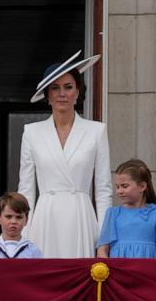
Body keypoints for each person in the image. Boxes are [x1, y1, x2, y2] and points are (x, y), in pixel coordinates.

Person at [18, 50, 112, 258]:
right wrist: (23, 237)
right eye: (55, 88)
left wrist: (103, 241)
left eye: (68, 87)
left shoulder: (97, 131)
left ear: (78, 92)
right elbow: (25, 191)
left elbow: (104, 191)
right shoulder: (31, 132)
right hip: (45, 218)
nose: (62, 93)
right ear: (48, 95)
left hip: (81, 217)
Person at [97, 159, 156, 258]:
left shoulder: (154, 213)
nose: (119, 191)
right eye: (117, 187)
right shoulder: (113, 213)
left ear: (142, 186)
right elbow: (102, 250)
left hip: (148, 270)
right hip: (119, 270)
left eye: (124, 186)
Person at [0, 192, 42, 258]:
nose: (13, 221)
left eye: (19, 217)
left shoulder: (33, 251)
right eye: (8, 216)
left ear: (26, 220)